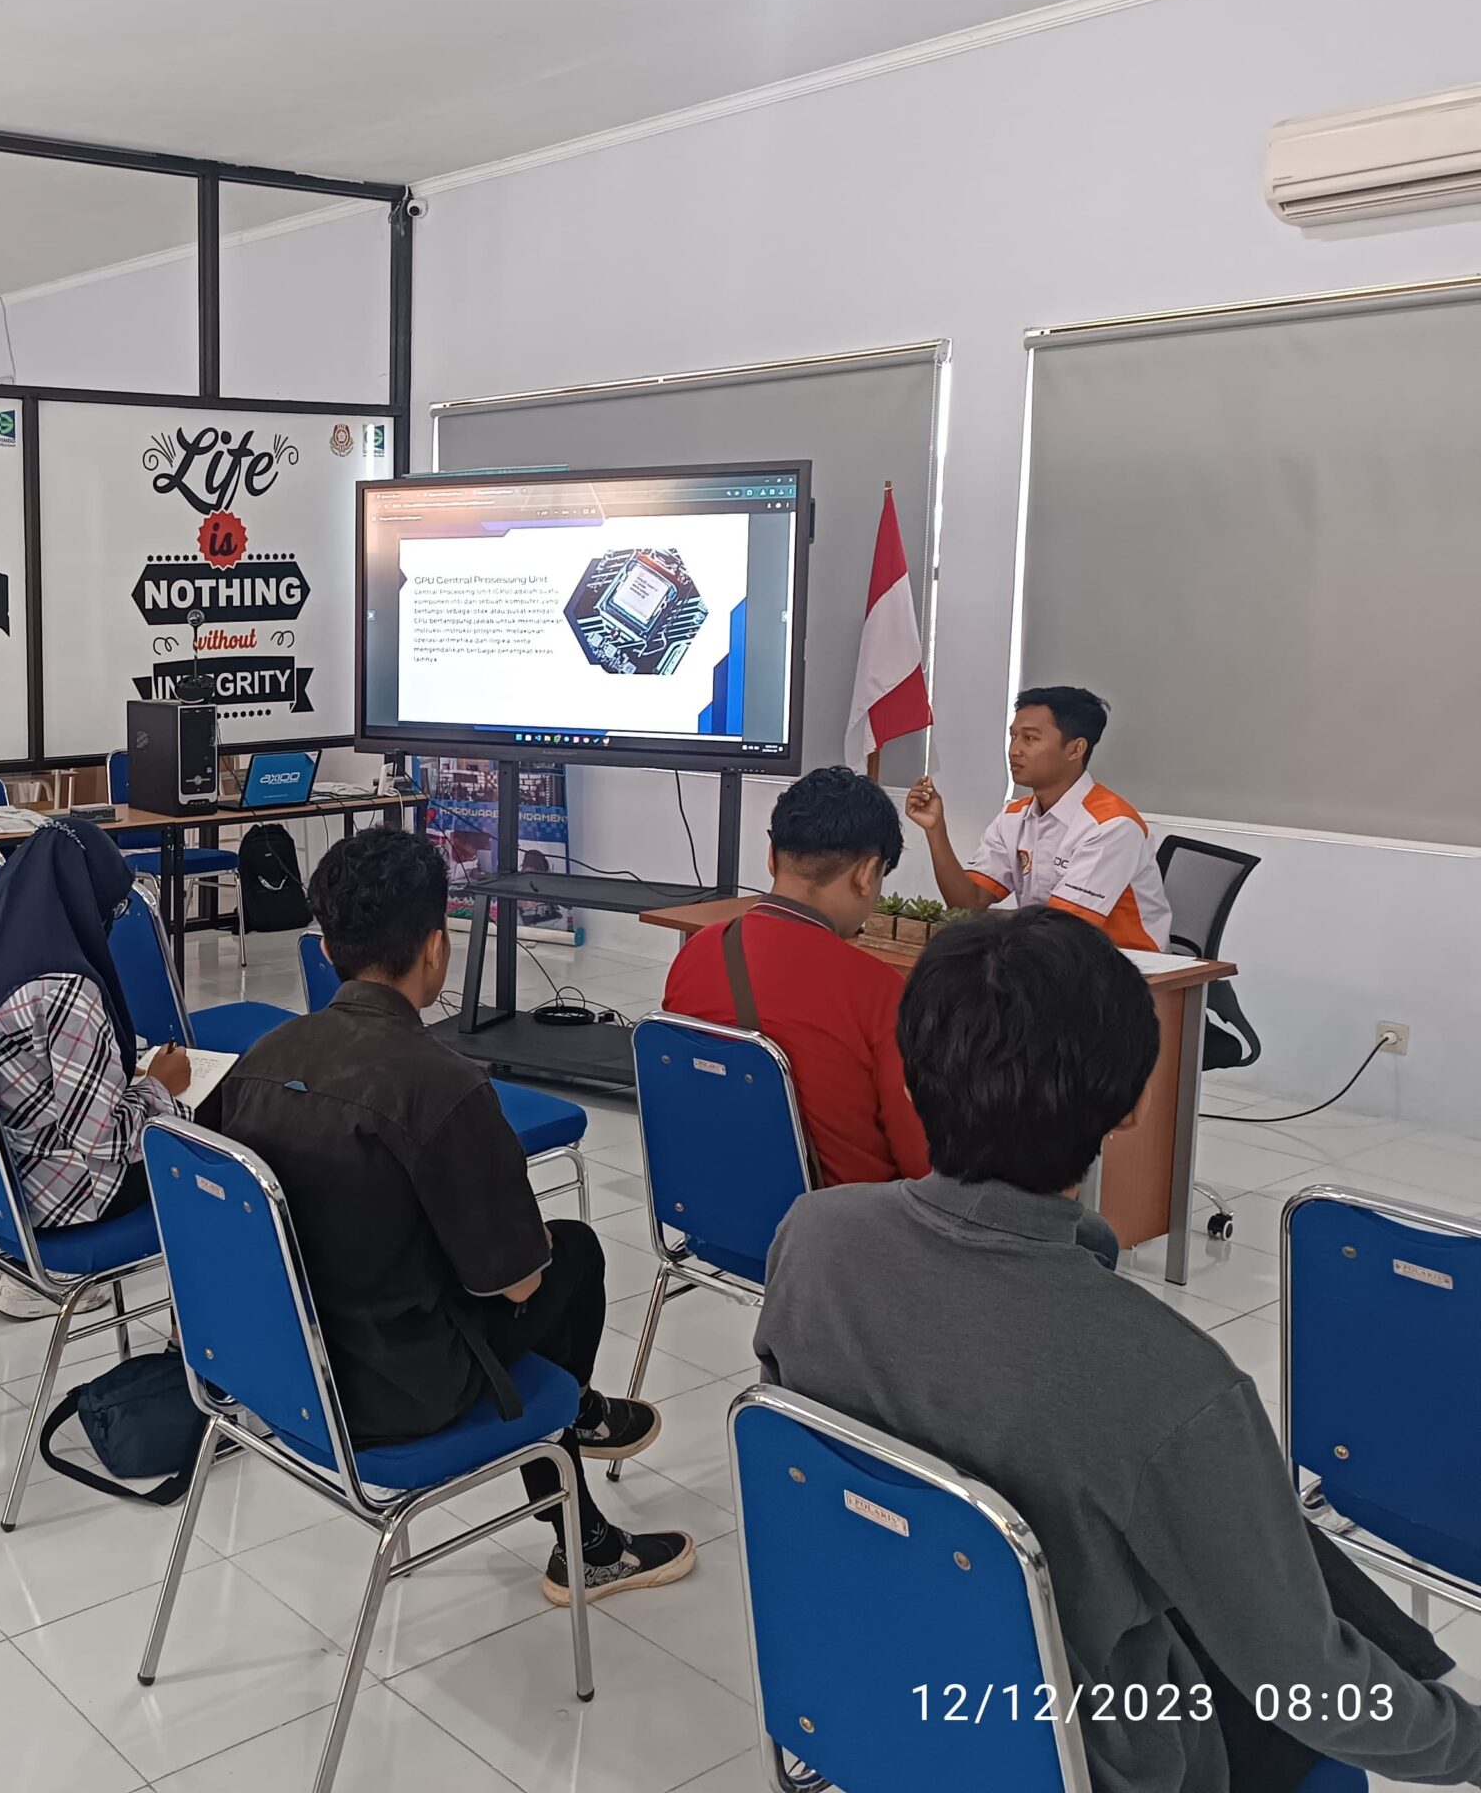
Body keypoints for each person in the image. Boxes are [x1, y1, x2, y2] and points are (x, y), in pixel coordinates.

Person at [755, 909, 1476, 1793]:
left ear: (908, 1079)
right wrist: (1468, 1745)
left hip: (868, 1680)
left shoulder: (813, 1237)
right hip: (1076, 1746)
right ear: (1132, 1105)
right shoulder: (1175, 1383)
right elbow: (1308, 1692)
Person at [214, 828, 695, 1607]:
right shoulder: (444, 1088)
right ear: (437, 948)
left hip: (281, 1371)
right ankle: (582, 1525)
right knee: (571, 1257)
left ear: (327, 947)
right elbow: (516, 1286)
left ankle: (580, 1432)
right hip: (396, 1393)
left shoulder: (260, 1060)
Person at [0, 820, 191, 1320]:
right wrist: (161, 1085)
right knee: (217, 1133)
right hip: (57, 1196)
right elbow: (104, 1140)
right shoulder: (66, 989)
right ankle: (51, 1278)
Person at [663, 766, 929, 1189]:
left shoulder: (697, 951)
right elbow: (923, 1163)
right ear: (866, 874)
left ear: (772, 856)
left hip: (705, 1202)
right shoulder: (879, 991)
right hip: (840, 1220)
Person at [907, 684, 1172, 950]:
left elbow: (1060, 926)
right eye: (1013, 736)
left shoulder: (1112, 825)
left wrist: (983, 920)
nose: (1014, 750)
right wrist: (936, 830)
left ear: (1076, 749)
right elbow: (968, 905)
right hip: (1045, 955)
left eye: (1030, 738)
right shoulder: (1014, 817)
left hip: (1124, 963)